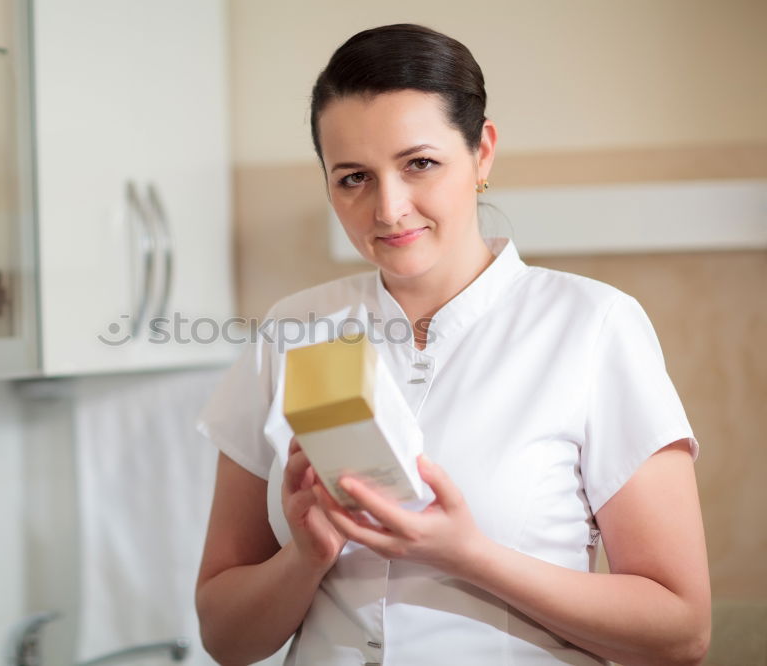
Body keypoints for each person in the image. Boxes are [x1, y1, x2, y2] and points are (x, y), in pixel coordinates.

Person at [195, 23, 710, 666]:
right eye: (353, 177)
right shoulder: (289, 332)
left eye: (420, 164)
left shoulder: (595, 325)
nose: (389, 208)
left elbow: (682, 633)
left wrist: (468, 555)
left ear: (482, 152)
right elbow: (225, 638)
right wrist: (307, 554)